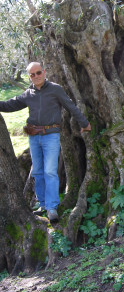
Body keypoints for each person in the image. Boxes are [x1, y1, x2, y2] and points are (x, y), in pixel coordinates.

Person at [0, 62, 91, 222]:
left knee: (50, 171)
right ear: (29, 76)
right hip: (34, 137)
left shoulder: (55, 89)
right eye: (32, 75)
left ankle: (52, 208)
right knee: (38, 172)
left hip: (51, 136)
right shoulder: (28, 93)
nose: (36, 76)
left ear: (44, 71)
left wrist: (84, 123)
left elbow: (70, 106)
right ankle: (42, 204)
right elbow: (10, 105)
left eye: (38, 72)